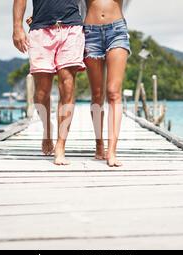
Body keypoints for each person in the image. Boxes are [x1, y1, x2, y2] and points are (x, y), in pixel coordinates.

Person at [12, 0, 86, 165]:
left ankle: (61, 145)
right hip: (41, 30)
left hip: (71, 28)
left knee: (67, 88)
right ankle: (47, 128)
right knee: (41, 93)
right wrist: (17, 27)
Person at [82, 0, 131, 167]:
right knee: (97, 95)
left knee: (113, 92)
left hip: (116, 31)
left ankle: (112, 150)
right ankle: (99, 144)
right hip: (90, 32)